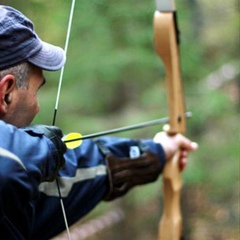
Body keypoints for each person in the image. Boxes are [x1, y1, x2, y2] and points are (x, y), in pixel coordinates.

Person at [0, 5, 198, 240]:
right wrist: (44, 148)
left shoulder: (14, 191)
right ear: (6, 93)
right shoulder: (15, 163)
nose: (37, 105)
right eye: (36, 90)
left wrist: (155, 152)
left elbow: (72, 174)